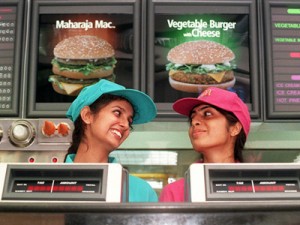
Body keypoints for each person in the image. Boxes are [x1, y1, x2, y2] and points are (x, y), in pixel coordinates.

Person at [65, 79, 158, 202]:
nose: (125, 125)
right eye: (117, 113)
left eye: (129, 122)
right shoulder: (47, 183)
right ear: (87, 115)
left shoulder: (142, 192)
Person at [159, 87, 251, 202]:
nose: (194, 122)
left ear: (235, 128)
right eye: (192, 117)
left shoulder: (260, 187)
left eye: (207, 113)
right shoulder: (175, 192)